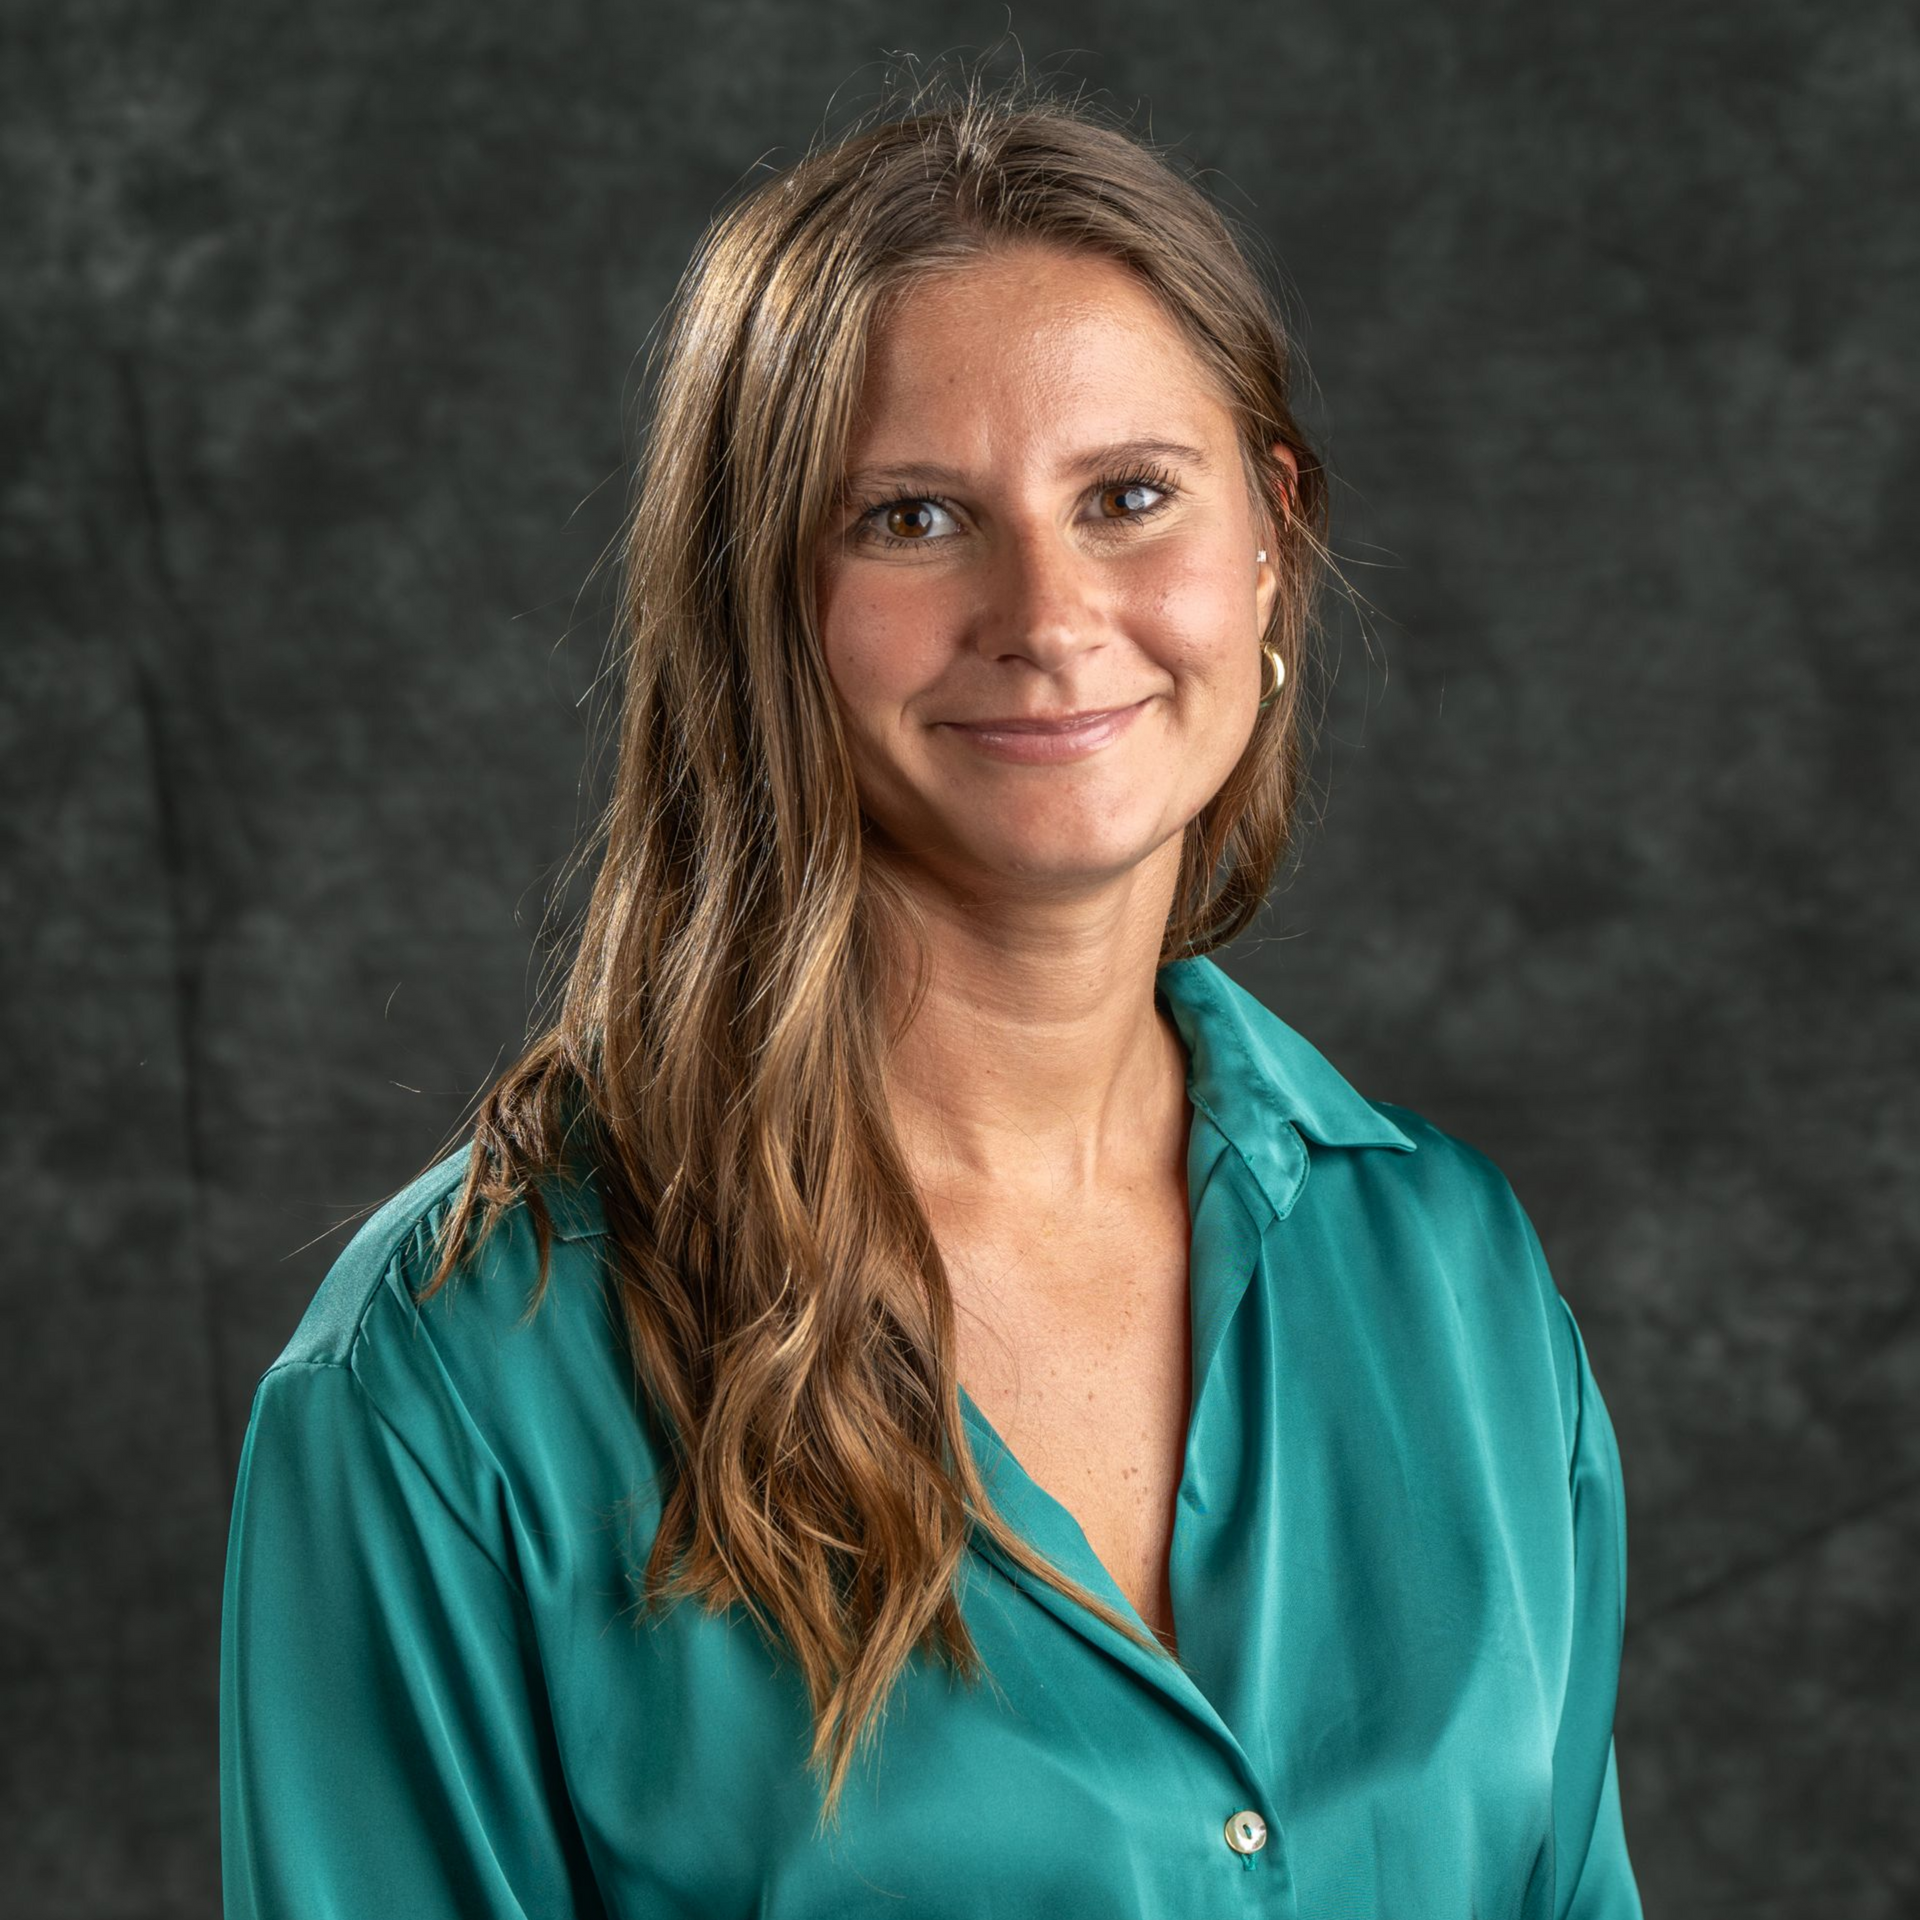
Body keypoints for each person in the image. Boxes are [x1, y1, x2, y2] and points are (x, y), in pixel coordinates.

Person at [219, 70, 1645, 1920]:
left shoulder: (1449, 1277)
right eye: (909, 518)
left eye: (1130, 494)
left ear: (1272, 537)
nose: (1048, 614)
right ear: (755, 602)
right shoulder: (448, 1384)